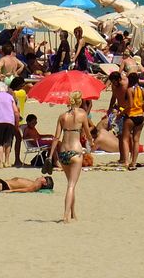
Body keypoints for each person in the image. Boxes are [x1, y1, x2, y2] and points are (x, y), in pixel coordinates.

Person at [49, 91, 93, 223]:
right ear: (79, 101)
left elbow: (56, 137)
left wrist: (50, 155)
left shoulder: (62, 116)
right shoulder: (82, 115)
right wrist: (91, 141)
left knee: (70, 183)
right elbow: (87, 132)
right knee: (71, 185)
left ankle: (73, 213)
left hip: (63, 153)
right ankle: (65, 215)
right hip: (75, 151)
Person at [122, 72, 144, 169]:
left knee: (125, 140)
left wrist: (121, 112)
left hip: (131, 116)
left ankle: (126, 161)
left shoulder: (130, 90)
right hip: (140, 117)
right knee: (136, 141)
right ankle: (133, 162)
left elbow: (130, 105)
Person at [0, 82, 20, 168]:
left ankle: (0, 162)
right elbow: (16, 111)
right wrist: (16, 122)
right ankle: (7, 161)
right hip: (9, 121)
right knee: (8, 142)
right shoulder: (10, 97)